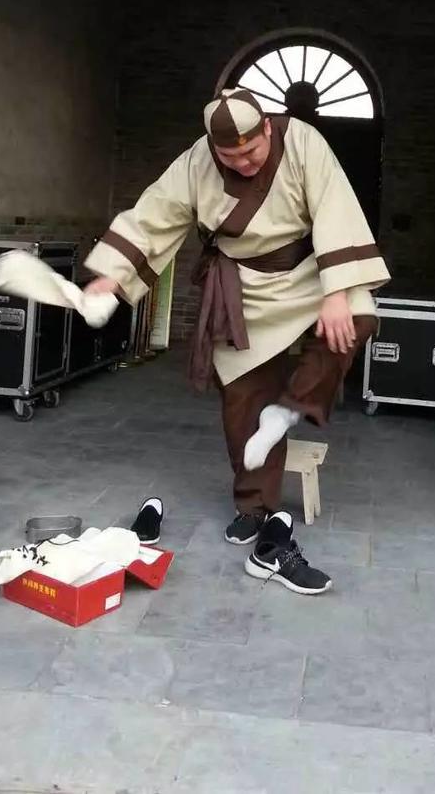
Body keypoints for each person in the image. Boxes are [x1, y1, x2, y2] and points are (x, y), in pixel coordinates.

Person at [83, 88, 390, 593]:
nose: (244, 163)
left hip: (308, 271)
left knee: (356, 316)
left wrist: (337, 291)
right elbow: (153, 215)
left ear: (268, 127)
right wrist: (111, 275)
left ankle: (290, 410)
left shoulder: (304, 142)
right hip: (243, 285)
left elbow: (336, 208)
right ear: (213, 147)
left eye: (252, 152)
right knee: (243, 401)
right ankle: (254, 509)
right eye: (231, 157)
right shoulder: (196, 162)